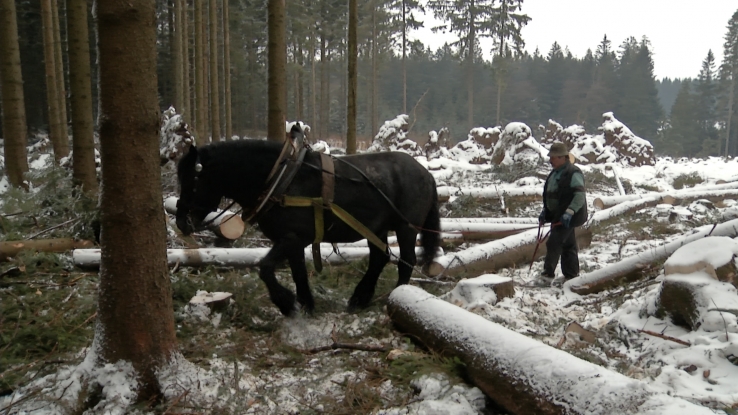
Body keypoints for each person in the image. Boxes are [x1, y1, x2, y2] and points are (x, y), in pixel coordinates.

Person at [537, 142, 587, 286]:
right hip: (558, 215)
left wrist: (569, 213)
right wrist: (545, 212)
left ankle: (547, 275)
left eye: (553, 158)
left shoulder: (574, 172)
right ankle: (571, 275)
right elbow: (551, 195)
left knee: (554, 243)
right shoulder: (555, 173)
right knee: (568, 244)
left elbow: (579, 196)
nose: (550, 160)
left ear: (562, 157)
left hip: (567, 216)